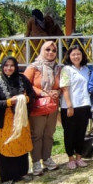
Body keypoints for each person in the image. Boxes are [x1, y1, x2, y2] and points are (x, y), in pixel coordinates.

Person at [0, 57, 35, 184]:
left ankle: (22, 173)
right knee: (5, 146)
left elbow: (32, 94)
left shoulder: (22, 79)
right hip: (3, 120)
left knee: (21, 144)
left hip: (21, 117)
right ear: (2, 67)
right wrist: (9, 102)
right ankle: (7, 176)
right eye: (6, 65)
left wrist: (24, 99)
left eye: (12, 65)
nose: (9, 68)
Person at [24, 41, 62, 176]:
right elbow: (25, 85)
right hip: (37, 106)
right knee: (37, 134)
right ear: (42, 51)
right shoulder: (34, 67)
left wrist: (57, 91)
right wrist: (42, 92)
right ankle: (35, 161)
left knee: (49, 133)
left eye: (53, 50)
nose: (50, 52)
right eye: (47, 50)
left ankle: (47, 158)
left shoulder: (58, 68)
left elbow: (59, 85)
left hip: (52, 106)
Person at [59, 45, 91, 169]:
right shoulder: (66, 69)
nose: (76, 56)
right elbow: (65, 88)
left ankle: (79, 156)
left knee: (81, 132)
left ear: (82, 55)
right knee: (69, 133)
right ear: (69, 56)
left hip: (84, 105)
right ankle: (70, 157)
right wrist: (69, 105)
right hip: (70, 106)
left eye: (78, 54)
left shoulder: (86, 69)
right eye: (73, 54)